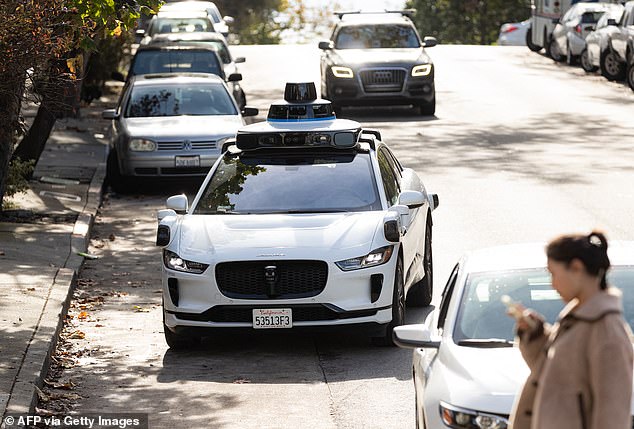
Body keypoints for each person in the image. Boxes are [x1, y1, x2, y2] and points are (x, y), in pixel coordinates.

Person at [509, 231, 633, 429]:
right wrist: (535, 332)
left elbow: (613, 416)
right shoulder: (579, 317)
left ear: (576, 267)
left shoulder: (607, 332)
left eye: (553, 274)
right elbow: (547, 372)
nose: (552, 284)